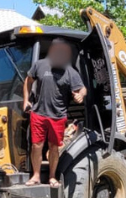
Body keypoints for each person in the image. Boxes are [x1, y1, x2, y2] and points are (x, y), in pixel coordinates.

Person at [23, 39, 86, 186]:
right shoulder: (40, 65)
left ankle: (52, 176)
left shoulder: (70, 71)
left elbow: (82, 88)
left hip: (58, 116)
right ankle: (36, 176)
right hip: (38, 113)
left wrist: (81, 95)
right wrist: (26, 100)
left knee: (53, 146)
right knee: (36, 145)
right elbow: (28, 80)